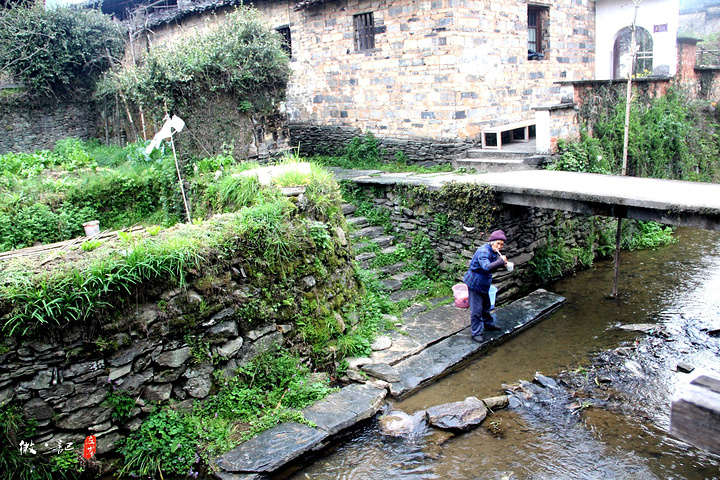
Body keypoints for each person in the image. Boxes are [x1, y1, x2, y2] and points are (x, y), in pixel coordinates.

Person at [463, 230, 509, 342]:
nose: (499, 246)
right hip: (475, 283)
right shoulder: (483, 252)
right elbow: (486, 267)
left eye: (502, 244)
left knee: (486, 305)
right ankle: (476, 333)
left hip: (483, 283)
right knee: (476, 310)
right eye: (498, 243)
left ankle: (488, 325)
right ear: (492, 242)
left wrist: (503, 265)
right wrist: (501, 262)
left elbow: (492, 266)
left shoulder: (493, 251)